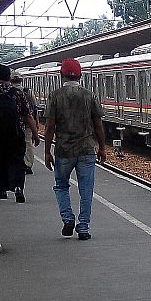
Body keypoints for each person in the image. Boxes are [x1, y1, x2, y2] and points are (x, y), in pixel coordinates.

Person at [44, 59, 106, 240]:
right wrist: (102, 148)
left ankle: (68, 218)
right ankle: (84, 227)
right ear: (80, 75)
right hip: (87, 149)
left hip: (63, 150)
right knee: (86, 190)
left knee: (61, 186)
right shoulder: (90, 95)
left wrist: (47, 151)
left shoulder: (55, 96)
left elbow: (49, 127)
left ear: (61, 75)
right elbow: (98, 125)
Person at [0, 64, 39, 203]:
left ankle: (1, 190)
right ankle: (18, 187)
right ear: (9, 77)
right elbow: (28, 115)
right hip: (15, 133)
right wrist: (35, 134)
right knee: (17, 160)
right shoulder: (18, 93)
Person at [10, 73, 38, 175]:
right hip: (27, 122)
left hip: (12, 123)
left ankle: (16, 163)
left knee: (13, 143)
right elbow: (34, 109)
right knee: (28, 143)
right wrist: (36, 124)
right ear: (21, 80)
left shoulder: (8, 92)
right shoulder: (28, 91)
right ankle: (28, 164)